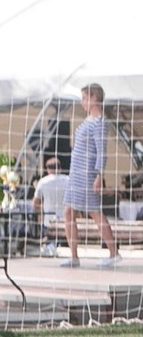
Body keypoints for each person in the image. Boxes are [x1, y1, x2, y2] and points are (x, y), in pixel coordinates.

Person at [63, 85, 120, 268]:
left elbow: (102, 151)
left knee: (95, 212)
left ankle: (113, 252)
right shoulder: (89, 120)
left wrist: (98, 175)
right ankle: (74, 256)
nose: (83, 103)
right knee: (69, 212)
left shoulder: (99, 122)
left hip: (87, 174)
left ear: (94, 98)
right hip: (76, 173)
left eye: (85, 98)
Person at [32, 154, 68, 254]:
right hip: (66, 220)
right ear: (60, 168)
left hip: (48, 221)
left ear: (47, 169)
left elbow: (35, 203)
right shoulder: (68, 180)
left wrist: (42, 210)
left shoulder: (43, 182)